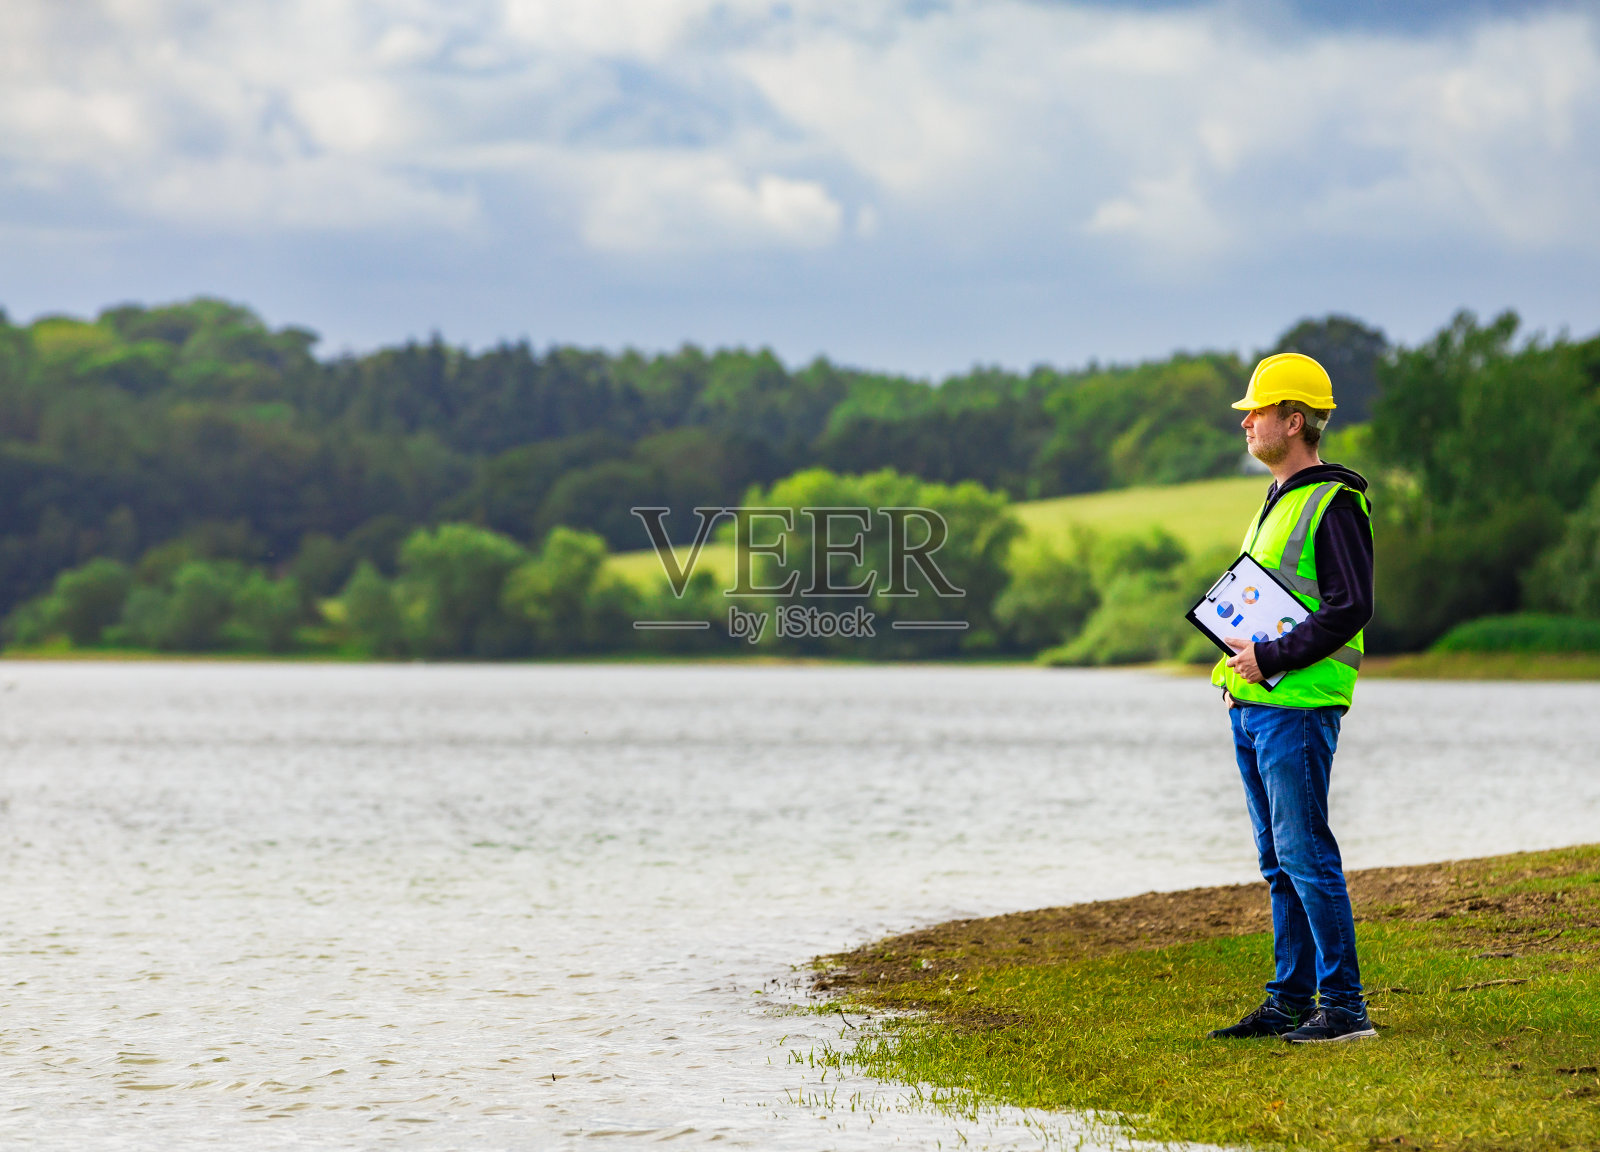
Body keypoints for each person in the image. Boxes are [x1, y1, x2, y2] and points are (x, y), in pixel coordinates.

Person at [1206, 352, 1378, 1045]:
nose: (1247, 421)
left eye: (1259, 409)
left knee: (1306, 856)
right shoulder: (1276, 500)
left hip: (1299, 704)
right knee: (1278, 860)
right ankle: (1289, 1001)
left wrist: (1268, 658)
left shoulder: (1333, 500)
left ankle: (1343, 1009)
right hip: (1257, 705)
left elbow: (1350, 606)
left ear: (1295, 419)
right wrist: (1235, 675)